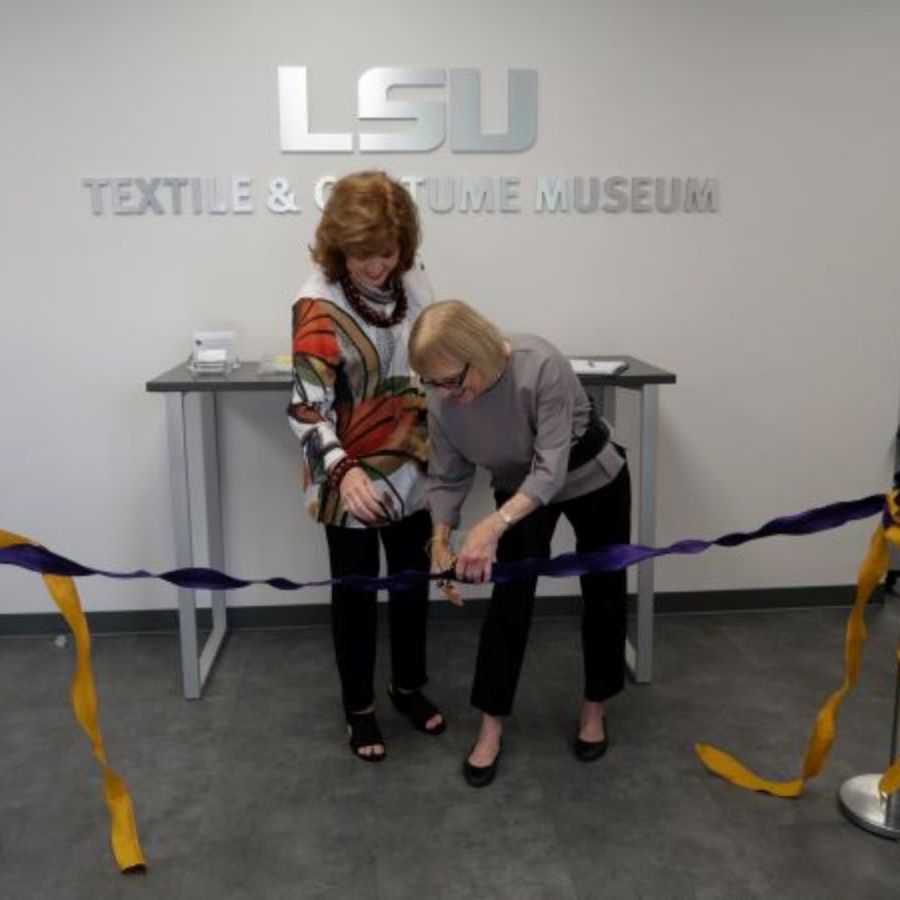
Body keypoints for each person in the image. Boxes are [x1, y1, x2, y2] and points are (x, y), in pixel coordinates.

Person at [408, 300, 631, 787]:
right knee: (510, 601)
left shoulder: (540, 364)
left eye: (452, 381)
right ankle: (490, 727)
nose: (445, 394)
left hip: (591, 476)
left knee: (605, 593)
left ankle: (595, 708)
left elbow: (550, 471)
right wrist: (440, 541)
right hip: (516, 485)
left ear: (479, 351)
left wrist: (491, 526)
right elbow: (447, 475)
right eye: (433, 383)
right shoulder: (442, 395)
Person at [288, 171, 444, 762]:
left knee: (411, 581)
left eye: (387, 252)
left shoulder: (416, 281)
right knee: (355, 595)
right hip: (346, 470)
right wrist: (344, 472)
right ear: (338, 247)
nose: (377, 267)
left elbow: (433, 359)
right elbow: (306, 407)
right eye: (362, 255)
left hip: (411, 461)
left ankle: (408, 687)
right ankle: (358, 709)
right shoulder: (317, 304)